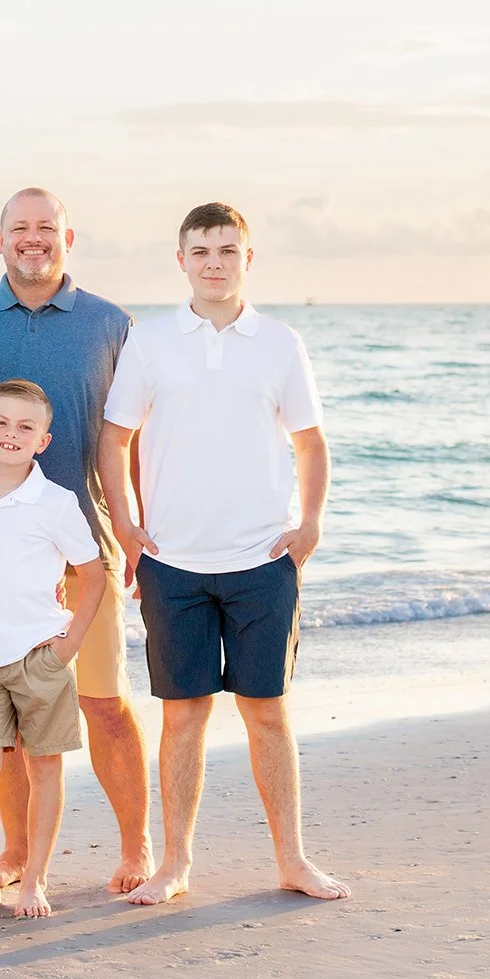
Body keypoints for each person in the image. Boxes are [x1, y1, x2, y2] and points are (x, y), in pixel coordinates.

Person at [97, 202, 349, 908]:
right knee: (183, 714)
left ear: (247, 259)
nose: (214, 262)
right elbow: (114, 437)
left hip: (262, 558)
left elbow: (311, 441)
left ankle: (293, 860)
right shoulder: (150, 343)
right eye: (201, 250)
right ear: (181, 261)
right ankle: (174, 864)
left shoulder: (279, 342)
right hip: (172, 561)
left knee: (266, 708)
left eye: (227, 250)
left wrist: (311, 524)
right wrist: (125, 522)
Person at [0, 189, 153, 894]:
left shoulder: (110, 324)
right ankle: (13, 855)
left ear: (68, 235)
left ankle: (136, 848)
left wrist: (134, 529)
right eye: (20, 229)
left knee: (103, 702)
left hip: (81, 549)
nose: (32, 240)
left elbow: (132, 439)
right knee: (5, 715)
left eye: (46, 228)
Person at [0, 380, 106, 922]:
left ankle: (34, 880)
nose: (12, 434)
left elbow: (93, 573)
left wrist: (69, 642)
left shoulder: (55, 503)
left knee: (44, 767)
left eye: (25, 427)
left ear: (44, 441)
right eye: (1, 424)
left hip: (39, 657)